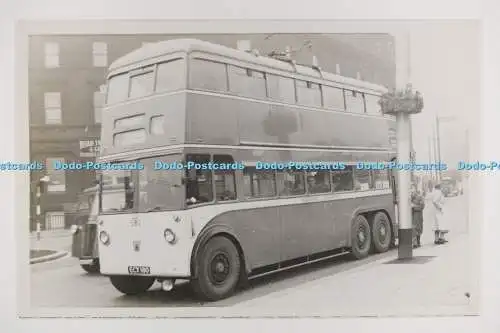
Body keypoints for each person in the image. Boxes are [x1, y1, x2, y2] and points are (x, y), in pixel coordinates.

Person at [411, 184, 425, 248]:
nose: (411, 191)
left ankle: (418, 242)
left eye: (412, 189)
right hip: (411, 216)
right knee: (413, 229)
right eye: (410, 189)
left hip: (418, 216)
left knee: (418, 229)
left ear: (415, 190)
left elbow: (422, 206)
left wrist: (414, 207)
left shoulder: (420, 197)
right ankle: (415, 243)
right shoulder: (408, 198)